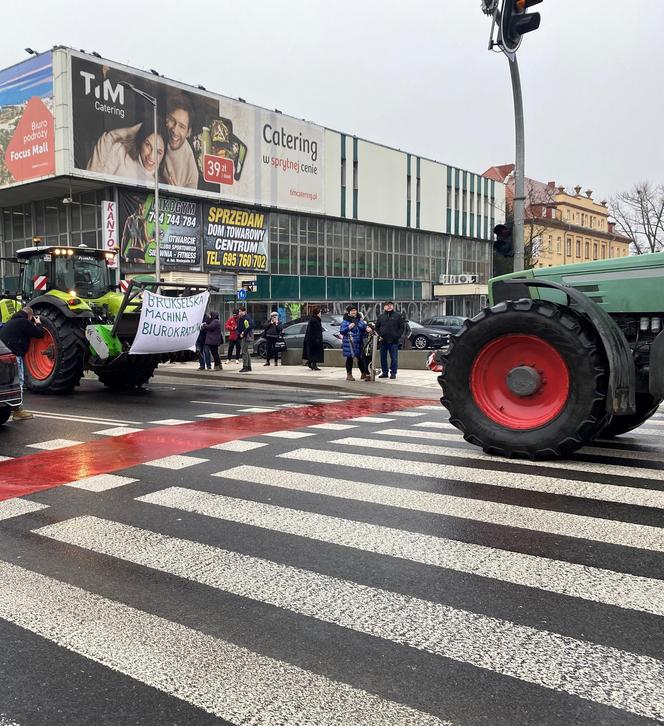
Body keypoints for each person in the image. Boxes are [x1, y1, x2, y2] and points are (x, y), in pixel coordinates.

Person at [87, 117, 167, 184]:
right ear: (141, 141)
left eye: (158, 152)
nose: (151, 156)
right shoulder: (120, 152)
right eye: (148, 145)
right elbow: (95, 182)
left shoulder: (161, 182)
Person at [0, 306, 45, 420]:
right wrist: (38, 323)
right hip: (14, 356)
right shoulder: (24, 322)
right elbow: (40, 334)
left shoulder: (10, 322)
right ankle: (17, 411)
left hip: (3, 356)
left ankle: (9, 408)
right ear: (30, 316)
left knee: (6, 386)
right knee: (18, 382)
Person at [163, 92, 199, 188]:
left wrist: (176, 194)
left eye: (182, 126)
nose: (175, 130)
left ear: (188, 132)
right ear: (166, 118)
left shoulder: (191, 169)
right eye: (172, 120)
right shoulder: (157, 129)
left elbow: (191, 201)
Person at [375, 300, 405, 379]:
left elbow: (402, 327)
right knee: (383, 358)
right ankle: (385, 372)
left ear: (393, 306)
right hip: (383, 341)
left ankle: (393, 373)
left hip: (394, 341)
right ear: (384, 307)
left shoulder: (398, 316)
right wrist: (379, 335)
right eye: (387, 305)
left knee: (394, 358)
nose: (389, 306)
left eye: (391, 305)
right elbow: (376, 327)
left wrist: (397, 336)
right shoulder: (381, 316)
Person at [340, 304, 369, 381]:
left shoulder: (359, 320)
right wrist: (349, 327)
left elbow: (364, 327)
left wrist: (367, 328)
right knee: (349, 358)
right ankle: (349, 375)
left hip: (359, 342)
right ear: (348, 312)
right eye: (352, 311)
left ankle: (363, 373)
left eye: (355, 310)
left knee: (360, 358)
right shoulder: (345, 321)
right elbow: (342, 331)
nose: (354, 312)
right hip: (349, 342)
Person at [302, 307, 324, 371]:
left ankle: (311, 363)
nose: (320, 314)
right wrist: (316, 339)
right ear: (317, 313)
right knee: (314, 353)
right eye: (320, 312)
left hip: (316, 339)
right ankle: (313, 365)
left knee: (315, 353)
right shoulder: (314, 320)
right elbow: (313, 331)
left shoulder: (316, 319)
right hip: (314, 340)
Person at [237, 307, 254, 373]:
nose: (240, 313)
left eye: (241, 311)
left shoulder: (246, 318)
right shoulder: (241, 318)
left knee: (244, 351)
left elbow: (251, 325)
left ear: (244, 312)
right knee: (246, 351)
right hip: (243, 335)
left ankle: (245, 366)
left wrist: (244, 332)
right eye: (239, 311)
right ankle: (249, 366)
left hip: (246, 336)